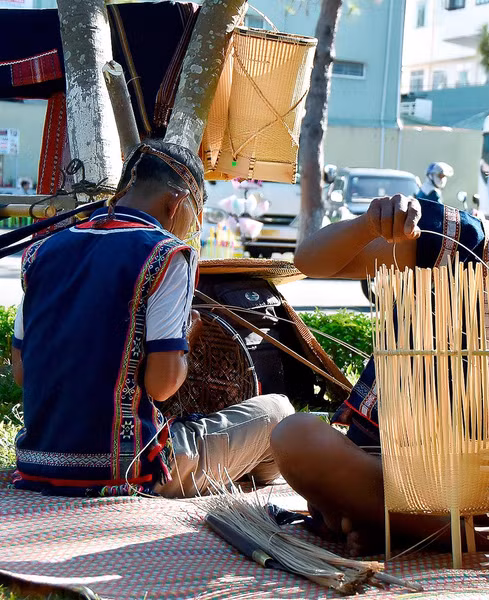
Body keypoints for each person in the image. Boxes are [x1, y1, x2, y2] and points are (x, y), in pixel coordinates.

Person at [275, 130, 489, 553]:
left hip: (475, 487)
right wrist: (371, 222)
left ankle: (380, 522)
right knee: (295, 437)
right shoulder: (449, 239)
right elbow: (310, 260)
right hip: (377, 458)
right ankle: (443, 533)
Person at [11, 139, 294, 498]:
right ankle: (215, 481)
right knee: (279, 413)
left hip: (37, 464)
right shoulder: (166, 254)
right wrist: (186, 338)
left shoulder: (41, 251)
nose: (192, 225)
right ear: (175, 202)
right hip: (128, 470)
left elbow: (23, 372)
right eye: (196, 213)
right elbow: (162, 386)